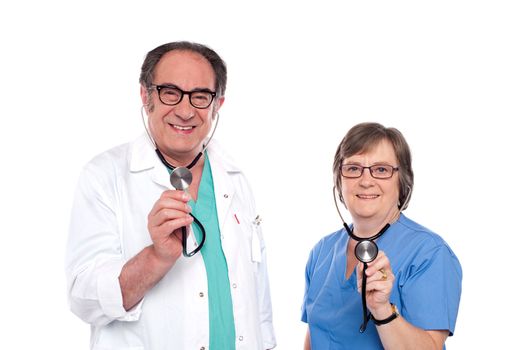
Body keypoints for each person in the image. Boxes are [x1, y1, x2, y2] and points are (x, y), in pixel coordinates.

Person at [66, 41, 276, 350]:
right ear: (145, 95)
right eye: (170, 92)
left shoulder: (235, 178)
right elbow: (84, 299)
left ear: (217, 105)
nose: (186, 110)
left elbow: (257, 297)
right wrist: (157, 257)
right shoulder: (104, 176)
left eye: (201, 96)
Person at [301, 122, 462, 349]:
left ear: (402, 180)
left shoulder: (429, 253)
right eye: (353, 168)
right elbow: (314, 336)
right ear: (339, 179)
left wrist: (382, 309)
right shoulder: (322, 252)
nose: (366, 181)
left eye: (381, 170)